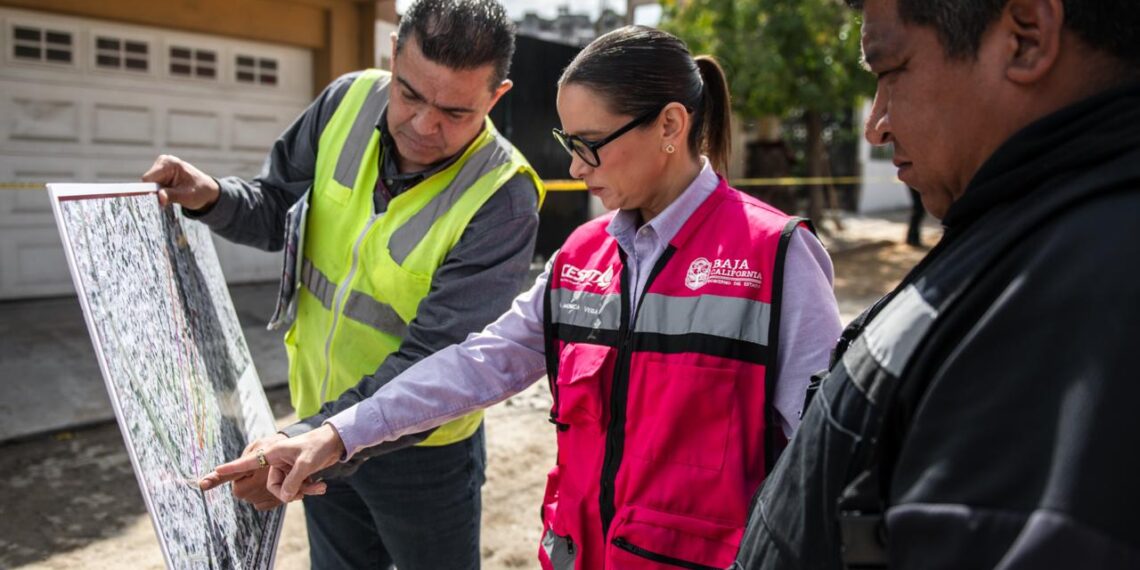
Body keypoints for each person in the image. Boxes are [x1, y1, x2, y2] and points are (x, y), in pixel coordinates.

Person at [201, 26, 843, 570]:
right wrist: (334, 434)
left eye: (589, 145)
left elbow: (821, 470)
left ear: (671, 125)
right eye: (570, 145)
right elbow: (477, 363)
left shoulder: (775, 258)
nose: (575, 168)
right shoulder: (584, 258)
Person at [733, 0, 1140, 568]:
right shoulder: (1026, 238)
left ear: (1025, 39)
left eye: (888, 71)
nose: (876, 125)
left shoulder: (1080, 299)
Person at [146, 0, 545, 567]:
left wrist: (319, 437)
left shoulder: (503, 197)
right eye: (410, 94)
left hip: (420, 456)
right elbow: (277, 206)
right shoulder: (347, 102)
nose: (425, 125)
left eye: (455, 112)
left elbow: (437, 359)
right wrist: (212, 195)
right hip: (316, 427)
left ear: (495, 97)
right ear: (391, 58)